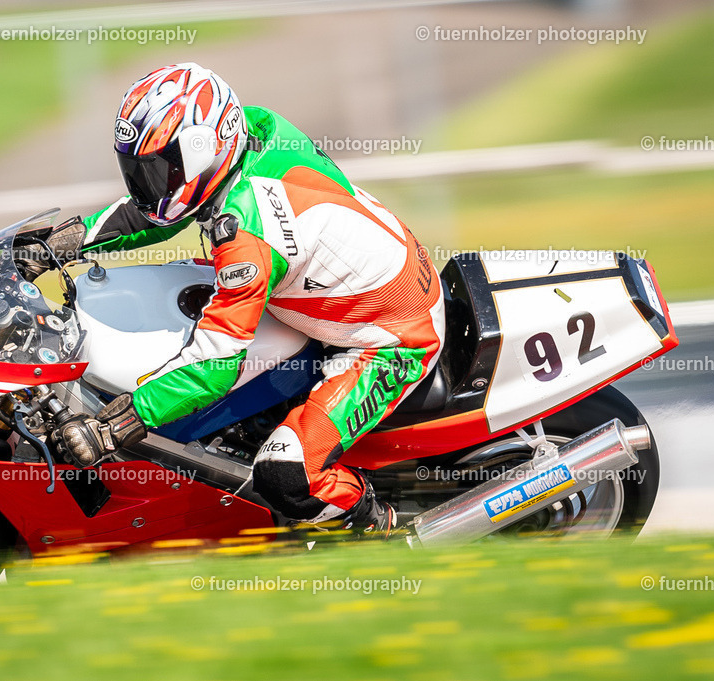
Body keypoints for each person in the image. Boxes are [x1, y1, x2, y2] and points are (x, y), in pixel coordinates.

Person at [24, 63, 444, 535]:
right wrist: (70, 239)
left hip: (394, 337)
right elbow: (165, 208)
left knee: (286, 474)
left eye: (158, 170)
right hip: (350, 282)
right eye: (138, 171)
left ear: (201, 150)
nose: (147, 186)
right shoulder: (254, 128)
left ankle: (382, 527)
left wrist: (113, 425)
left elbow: (214, 364)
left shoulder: (246, 234)